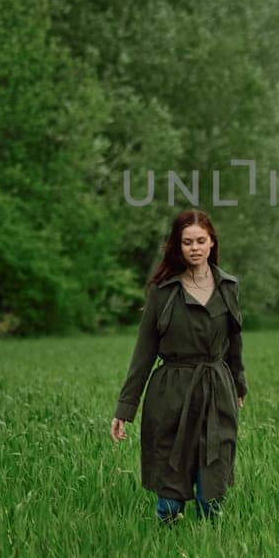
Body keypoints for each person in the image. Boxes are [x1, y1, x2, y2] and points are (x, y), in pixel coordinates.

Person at [110, 209, 246, 525]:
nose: (195, 247)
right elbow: (143, 352)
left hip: (216, 390)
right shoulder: (163, 291)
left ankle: (211, 545)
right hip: (171, 392)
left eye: (201, 240)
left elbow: (235, 342)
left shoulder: (228, 287)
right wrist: (124, 408)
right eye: (187, 242)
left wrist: (238, 385)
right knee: (170, 486)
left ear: (212, 243)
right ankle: (167, 538)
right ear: (178, 246)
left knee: (212, 481)